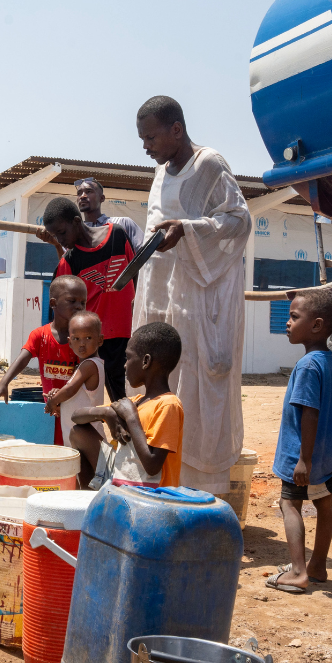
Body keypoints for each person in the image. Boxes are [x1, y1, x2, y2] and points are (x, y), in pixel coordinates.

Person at [132, 95, 251, 495]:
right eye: (142, 138)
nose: (145, 146)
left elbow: (238, 221)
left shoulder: (209, 165)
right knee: (163, 381)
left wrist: (187, 229)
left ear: (176, 130)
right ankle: (161, 481)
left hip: (200, 301)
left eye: (150, 137)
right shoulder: (161, 172)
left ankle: (202, 492)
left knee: (199, 385)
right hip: (164, 298)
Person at [266, 289, 332, 594]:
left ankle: (298, 572)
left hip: (301, 456)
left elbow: (309, 414)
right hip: (326, 458)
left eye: (294, 317)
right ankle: (318, 566)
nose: (288, 323)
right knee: (324, 503)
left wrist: (303, 459)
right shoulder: (328, 362)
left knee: (289, 504)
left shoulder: (307, 366)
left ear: (317, 325)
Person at [69, 321, 183, 488]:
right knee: (78, 432)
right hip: (122, 476)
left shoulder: (168, 405)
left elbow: (152, 466)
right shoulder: (135, 401)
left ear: (146, 361)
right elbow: (76, 416)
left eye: (128, 357)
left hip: (151, 496)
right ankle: (91, 500)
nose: (124, 365)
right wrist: (106, 413)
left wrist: (131, 418)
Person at [43, 197, 135, 402]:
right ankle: (120, 433)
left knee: (135, 393)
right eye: (54, 236)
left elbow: (134, 275)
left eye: (62, 232)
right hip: (97, 340)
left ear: (77, 221)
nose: (60, 240)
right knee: (115, 398)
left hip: (128, 330)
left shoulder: (117, 235)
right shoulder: (69, 261)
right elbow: (60, 307)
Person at [0, 274, 86, 444]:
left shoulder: (82, 338)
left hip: (74, 410)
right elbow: (23, 359)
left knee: (71, 452)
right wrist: (3, 384)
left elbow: (84, 370)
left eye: (83, 302)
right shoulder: (40, 335)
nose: (79, 306)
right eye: (72, 301)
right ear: (53, 303)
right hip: (49, 410)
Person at [45, 311, 105, 447]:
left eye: (88, 338)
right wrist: (58, 395)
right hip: (81, 439)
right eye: (76, 339)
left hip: (88, 439)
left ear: (100, 340)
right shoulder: (84, 366)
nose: (82, 344)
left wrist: (52, 402)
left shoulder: (89, 365)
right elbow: (74, 394)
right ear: (69, 342)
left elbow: (69, 390)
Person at [75, 178, 144, 250]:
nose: (82, 196)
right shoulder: (75, 232)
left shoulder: (123, 223)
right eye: (79, 193)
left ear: (102, 198)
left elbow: (144, 253)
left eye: (89, 191)